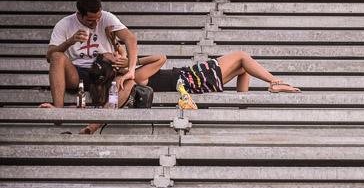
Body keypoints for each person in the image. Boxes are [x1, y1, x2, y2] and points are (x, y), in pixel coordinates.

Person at [40, 0, 139, 109]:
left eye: (98, 18)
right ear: (79, 14)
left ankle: (100, 120)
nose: (96, 23)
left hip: (103, 72)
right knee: (57, 56)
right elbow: (49, 56)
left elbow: (130, 38)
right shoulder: (64, 24)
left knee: (128, 83)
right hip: (77, 74)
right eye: (90, 20)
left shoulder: (107, 18)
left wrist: (131, 70)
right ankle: (58, 111)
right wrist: (69, 42)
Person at [122, 50, 301, 109]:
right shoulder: (138, 76)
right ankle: (274, 82)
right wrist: (134, 62)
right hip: (193, 78)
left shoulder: (137, 76)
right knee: (242, 55)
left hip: (193, 80)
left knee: (243, 67)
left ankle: (242, 103)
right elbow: (161, 57)